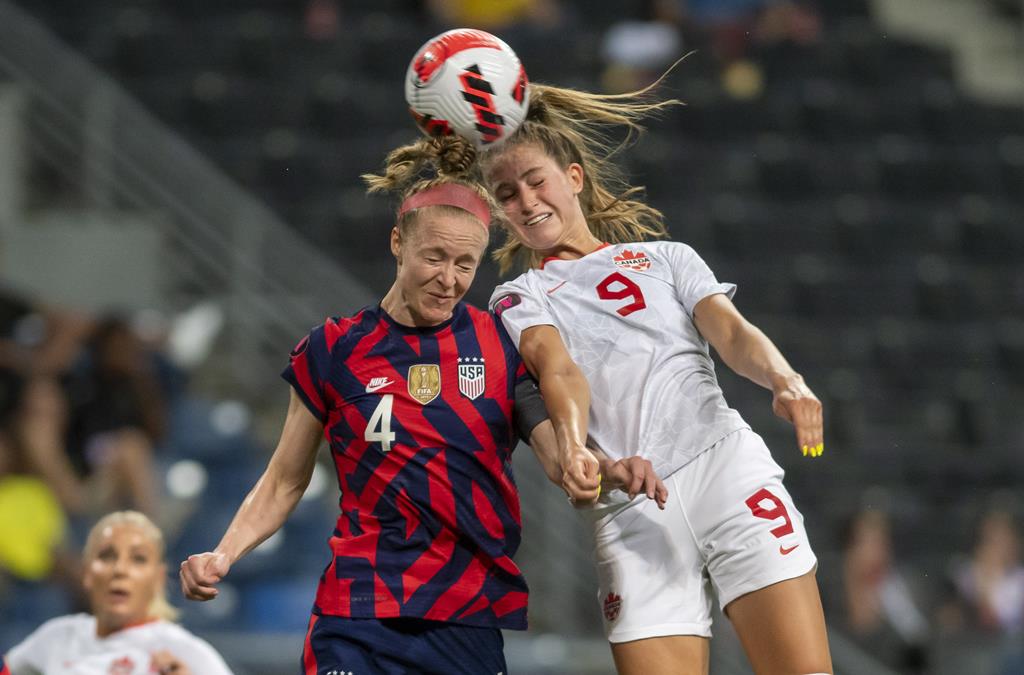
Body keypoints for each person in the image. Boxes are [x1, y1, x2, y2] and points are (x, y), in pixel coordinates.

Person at [178, 136, 665, 674]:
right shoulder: (335, 348)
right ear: (397, 243)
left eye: (465, 264)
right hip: (359, 611)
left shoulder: (501, 343)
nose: (449, 279)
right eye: (434, 257)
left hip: (468, 615)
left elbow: (558, 452)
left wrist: (606, 470)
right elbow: (283, 481)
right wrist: (223, 554)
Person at [471, 75, 832, 674]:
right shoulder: (517, 296)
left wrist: (784, 379)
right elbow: (556, 368)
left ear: (574, 177)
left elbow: (733, 333)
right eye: (507, 194)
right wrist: (582, 452)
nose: (527, 202)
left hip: (725, 469)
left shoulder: (667, 258)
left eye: (536, 181)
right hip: (629, 506)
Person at [4, 510, 232, 675]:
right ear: (87, 573)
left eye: (138, 559)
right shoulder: (56, 637)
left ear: (158, 578)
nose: (119, 569)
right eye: (106, 556)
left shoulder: (183, 651)